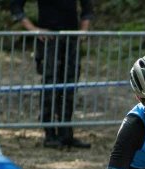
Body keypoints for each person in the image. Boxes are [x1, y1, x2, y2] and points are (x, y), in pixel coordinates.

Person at [11, 0, 93, 149]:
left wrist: (84, 29)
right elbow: (16, 5)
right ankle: (49, 134)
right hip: (49, 40)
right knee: (50, 85)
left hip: (71, 39)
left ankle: (66, 133)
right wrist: (33, 29)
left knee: (70, 85)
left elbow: (87, 6)